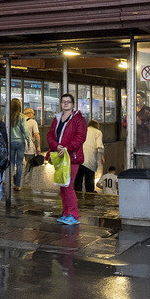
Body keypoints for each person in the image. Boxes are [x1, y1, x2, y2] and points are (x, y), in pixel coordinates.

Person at [46, 93, 87, 225]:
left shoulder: (78, 119)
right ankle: (66, 213)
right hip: (59, 156)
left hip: (71, 157)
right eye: (63, 101)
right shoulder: (57, 118)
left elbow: (80, 137)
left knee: (68, 185)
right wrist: (56, 146)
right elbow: (50, 135)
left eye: (68, 102)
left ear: (73, 104)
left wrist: (66, 149)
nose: (66, 104)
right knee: (63, 186)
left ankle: (74, 215)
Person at [75, 120, 104, 194]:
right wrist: (102, 156)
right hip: (90, 160)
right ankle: (89, 198)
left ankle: (77, 199)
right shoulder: (98, 132)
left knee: (78, 182)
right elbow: (100, 146)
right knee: (89, 182)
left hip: (78, 159)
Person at [8, 98, 29, 191]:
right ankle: (18, 185)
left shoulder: (6, 116)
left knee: (11, 163)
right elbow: (25, 130)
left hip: (10, 142)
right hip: (20, 142)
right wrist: (28, 140)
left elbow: (5, 130)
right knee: (19, 164)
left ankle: (8, 184)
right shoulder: (22, 116)